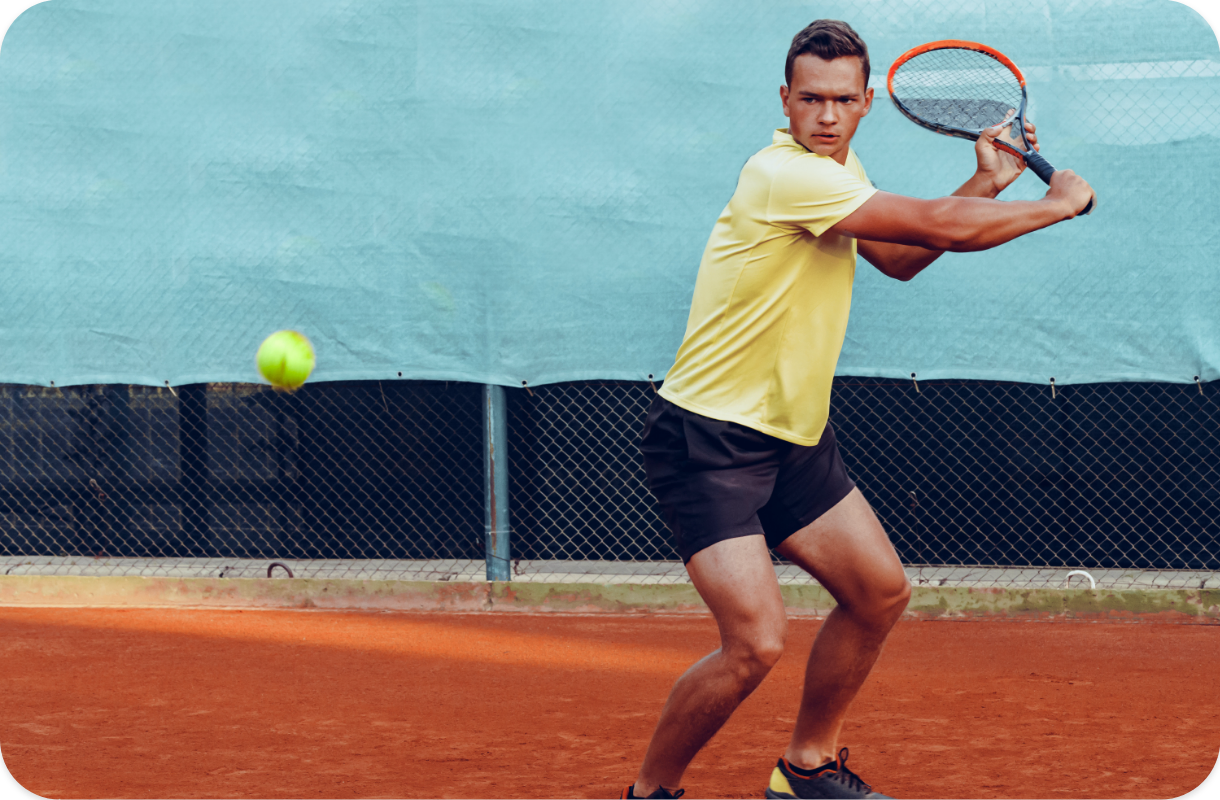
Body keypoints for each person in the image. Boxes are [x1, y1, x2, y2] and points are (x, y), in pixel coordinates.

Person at [624, 19, 1095, 800]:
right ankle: (650, 792)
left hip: (794, 436)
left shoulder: (841, 169)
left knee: (878, 593)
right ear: (785, 99)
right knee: (754, 644)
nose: (828, 117)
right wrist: (1055, 205)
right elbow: (937, 228)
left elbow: (902, 257)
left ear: (867, 101)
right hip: (709, 440)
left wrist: (988, 185)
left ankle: (806, 768)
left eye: (843, 100)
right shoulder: (784, 173)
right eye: (811, 98)